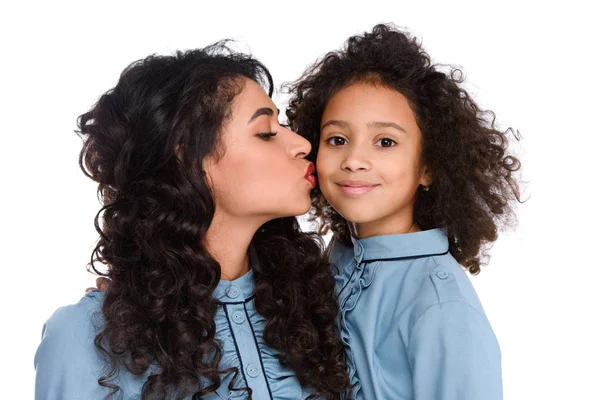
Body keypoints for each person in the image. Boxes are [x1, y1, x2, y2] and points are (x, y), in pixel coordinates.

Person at [34, 42, 351, 400]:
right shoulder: (86, 335)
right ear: (186, 159)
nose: (301, 144)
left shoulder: (320, 303)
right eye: (265, 132)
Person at [286, 24, 522, 399]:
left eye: (385, 141)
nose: (354, 160)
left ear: (428, 166)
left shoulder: (442, 309)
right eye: (337, 139)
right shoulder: (339, 253)